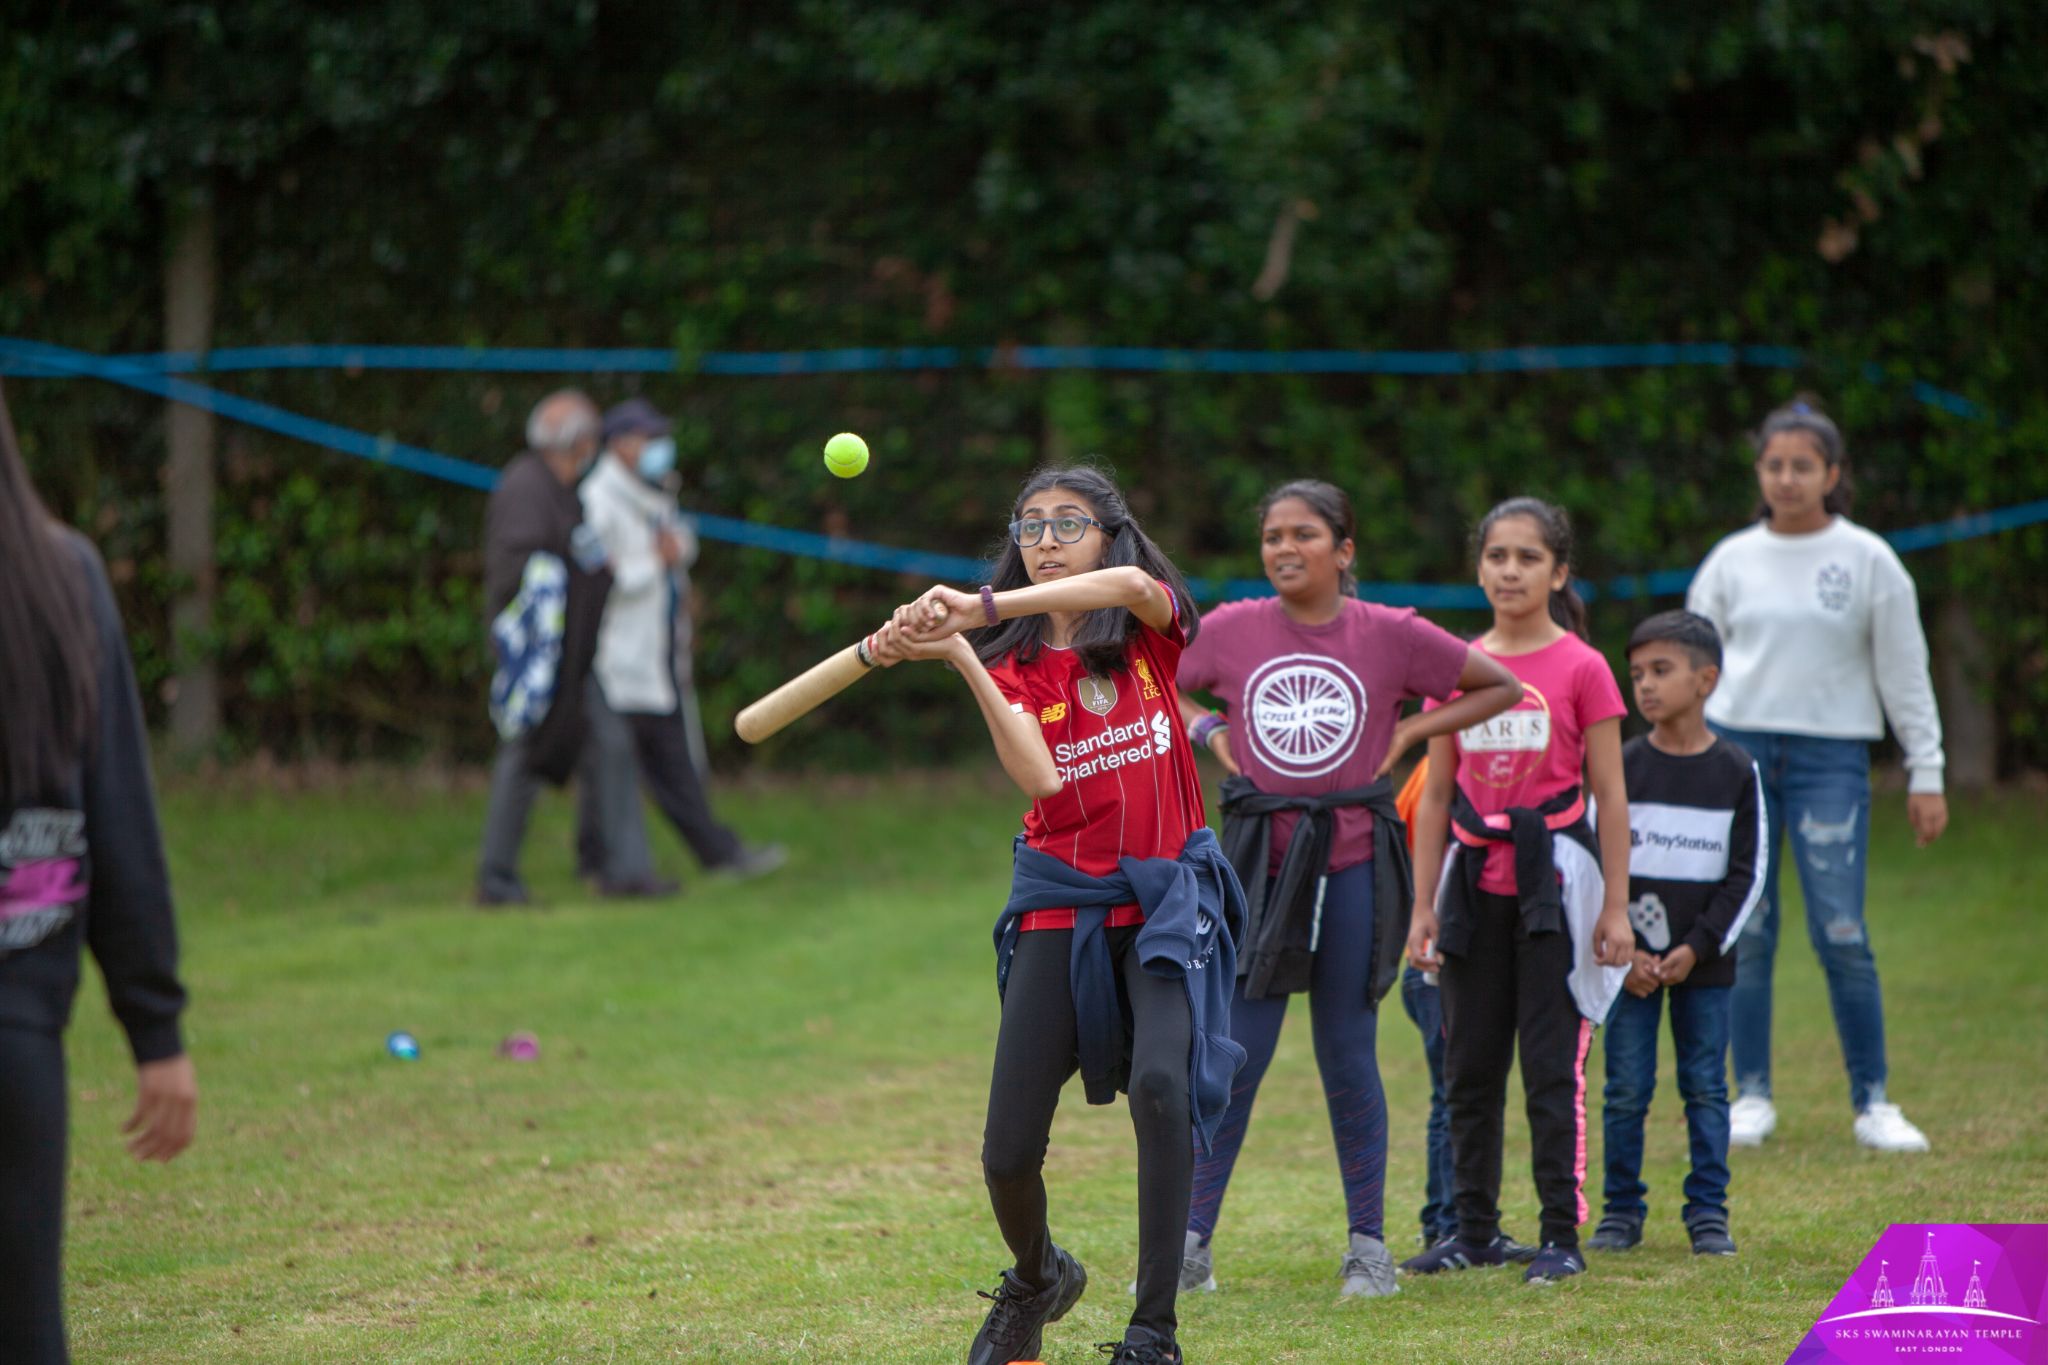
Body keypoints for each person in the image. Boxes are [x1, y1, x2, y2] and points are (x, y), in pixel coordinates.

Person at [873, 466, 1243, 1365]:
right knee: (1005, 1154)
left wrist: (976, 604)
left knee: (1162, 1085)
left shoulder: (1155, 631)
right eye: (1029, 524)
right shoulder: (1018, 660)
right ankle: (1039, 1278)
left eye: (1066, 523)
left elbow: (1126, 589)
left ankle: (1153, 1331)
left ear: (1109, 533)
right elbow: (1041, 780)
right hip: (1058, 900)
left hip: (1163, 898)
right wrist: (962, 647)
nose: (1043, 537)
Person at [1170, 479, 1521, 1299]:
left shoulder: (1392, 635)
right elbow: (1161, 681)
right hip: (1258, 865)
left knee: (1347, 1054)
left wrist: (1409, 729)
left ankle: (1368, 1247)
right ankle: (1188, 1244)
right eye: (1272, 537)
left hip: (1357, 863)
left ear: (1345, 549)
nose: (1285, 550)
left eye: (1304, 535)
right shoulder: (1231, 630)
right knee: (1235, 1055)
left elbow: (1498, 685)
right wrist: (1209, 728)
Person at [1686, 397, 1948, 1152]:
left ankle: (1873, 1100)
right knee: (1750, 926)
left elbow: (1904, 670)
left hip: (1832, 756)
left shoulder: (1869, 560)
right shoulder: (1731, 560)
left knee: (1841, 929)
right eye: (1775, 465)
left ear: (1832, 473)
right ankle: (1751, 1095)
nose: (1789, 478)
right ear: (1760, 473)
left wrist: (1926, 769)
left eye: (1805, 465)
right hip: (1739, 753)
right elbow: (1693, 665)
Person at [0, 385, 198, 1365]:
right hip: (20, 1039)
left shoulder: (57, 579)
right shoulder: (63, 573)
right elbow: (117, 818)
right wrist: (154, 1028)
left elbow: (114, 814)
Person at [1401, 497, 1634, 1285]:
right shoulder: (1456, 665)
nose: (1509, 569)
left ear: (1558, 571)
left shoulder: (1583, 667)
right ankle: (1473, 1231)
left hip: (1558, 890)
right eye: (1496, 555)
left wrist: (1615, 908)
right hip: (1472, 888)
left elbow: (1611, 794)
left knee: (1549, 1068)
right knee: (1466, 1064)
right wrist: (1424, 905)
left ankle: (1560, 1236)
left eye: (1528, 557)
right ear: (1479, 567)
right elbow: (1436, 797)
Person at [1587, 610, 1765, 1259]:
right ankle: (1619, 1213)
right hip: (1629, 968)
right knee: (1625, 1088)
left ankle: (1708, 1214)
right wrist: (1626, 948)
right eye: (1636, 674)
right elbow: (1593, 858)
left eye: (1661, 670)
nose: (1646, 686)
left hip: (1703, 967)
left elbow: (1749, 874)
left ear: (1706, 678)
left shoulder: (1736, 770)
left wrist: (1699, 946)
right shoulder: (1621, 765)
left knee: (1705, 1086)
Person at [575, 399, 784, 885]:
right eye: (647, 439)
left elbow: (678, 542)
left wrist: (672, 558)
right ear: (621, 444)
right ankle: (690, 857)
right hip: (614, 657)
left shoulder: (652, 490)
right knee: (634, 764)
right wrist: (655, 560)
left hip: (655, 652)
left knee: (650, 762)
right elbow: (598, 579)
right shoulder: (596, 499)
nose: (656, 449)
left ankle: (693, 854)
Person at [474, 389, 671, 905]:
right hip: (540, 663)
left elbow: (588, 563)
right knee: (523, 756)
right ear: (573, 441)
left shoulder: (564, 491)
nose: (592, 447)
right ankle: (496, 878)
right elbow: (523, 572)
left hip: (577, 660)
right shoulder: (525, 487)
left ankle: (621, 869)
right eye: (587, 438)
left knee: (610, 743)